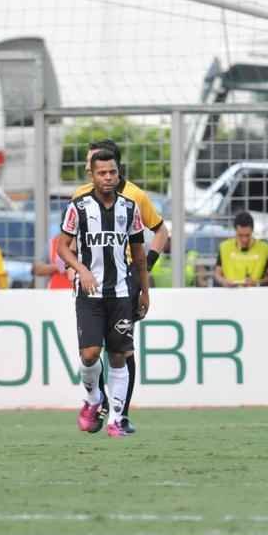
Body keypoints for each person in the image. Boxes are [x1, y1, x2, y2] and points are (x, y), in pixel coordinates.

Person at [73, 140, 167, 435]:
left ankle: (119, 414)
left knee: (122, 350)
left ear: (115, 166)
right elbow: (69, 240)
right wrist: (75, 267)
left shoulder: (135, 197)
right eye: (92, 164)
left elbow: (160, 231)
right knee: (91, 351)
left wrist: (145, 268)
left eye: (98, 162)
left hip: (125, 280)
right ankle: (98, 402)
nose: (91, 167)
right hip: (91, 281)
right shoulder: (80, 197)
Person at [57, 149, 149, 438]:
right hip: (89, 293)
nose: (108, 177)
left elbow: (139, 254)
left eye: (112, 172)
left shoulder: (130, 208)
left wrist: (144, 291)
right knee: (90, 354)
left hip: (121, 292)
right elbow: (62, 247)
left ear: (118, 173)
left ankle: (117, 420)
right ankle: (94, 398)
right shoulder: (78, 207)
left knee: (119, 355)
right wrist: (81, 270)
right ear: (92, 176)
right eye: (102, 173)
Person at [215, 211, 268, 287]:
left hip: (255, 293)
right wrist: (224, 282)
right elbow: (217, 273)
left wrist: (257, 283)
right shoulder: (224, 247)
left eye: (247, 235)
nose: (244, 239)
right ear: (235, 231)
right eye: (240, 235)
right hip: (230, 293)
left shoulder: (265, 248)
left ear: (252, 231)